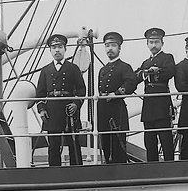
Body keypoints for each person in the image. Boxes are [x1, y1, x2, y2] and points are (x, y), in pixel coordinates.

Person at [36, 33, 86, 166]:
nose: (57, 50)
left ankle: (76, 172)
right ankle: (54, 173)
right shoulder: (45, 70)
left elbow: (82, 90)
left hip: (69, 110)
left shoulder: (73, 68)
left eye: (60, 47)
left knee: (73, 143)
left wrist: (76, 104)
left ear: (65, 49)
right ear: (50, 50)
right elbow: (40, 93)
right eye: (54, 47)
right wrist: (41, 109)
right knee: (53, 145)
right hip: (52, 111)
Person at [95, 31, 137, 164]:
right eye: (107, 46)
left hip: (116, 110)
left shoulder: (124, 67)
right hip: (103, 111)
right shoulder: (102, 70)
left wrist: (116, 94)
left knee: (118, 145)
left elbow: (131, 83)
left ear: (119, 48)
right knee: (106, 144)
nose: (110, 49)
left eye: (113, 45)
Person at [136, 27, 177, 161]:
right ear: (147, 44)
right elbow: (135, 76)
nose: (154, 45)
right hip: (148, 105)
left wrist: (157, 70)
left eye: (156, 42)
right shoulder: (145, 63)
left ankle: (169, 165)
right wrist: (144, 73)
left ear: (162, 43)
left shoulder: (167, 58)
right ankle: (151, 166)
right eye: (151, 42)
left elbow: (170, 71)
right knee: (149, 139)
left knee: (165, 138)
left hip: (162, 103)